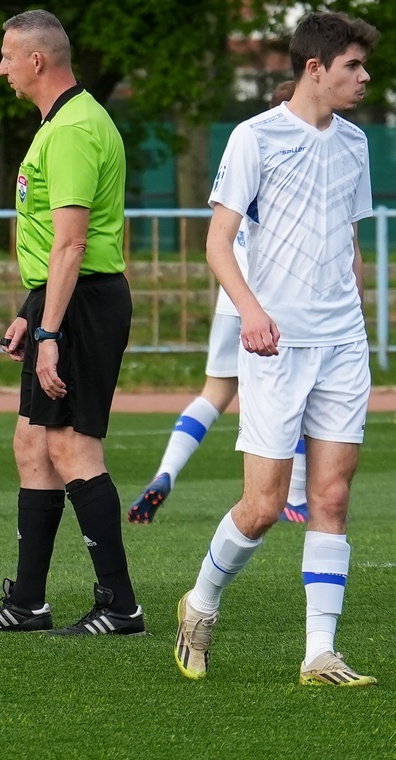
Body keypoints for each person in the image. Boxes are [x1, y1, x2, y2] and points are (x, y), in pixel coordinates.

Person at [174, 11, 378, 687]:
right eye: (353, 65)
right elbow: (217, 242)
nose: (365, 77)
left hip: (342, 342)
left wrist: (356, 309)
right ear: (315, 68)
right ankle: (201, 604)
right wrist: (252, 313)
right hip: (275, 346)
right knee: (262, 506)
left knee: (331, 497)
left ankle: (320, 652)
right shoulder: (254, 137)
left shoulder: (355, 143)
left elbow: (350, 241)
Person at [0, 10, 140, 636]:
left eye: (7, 56)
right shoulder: (61, 122)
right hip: (63, 298)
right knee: (32, 444)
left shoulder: (72, 130)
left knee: (70, 446)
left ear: (37, 60)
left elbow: (72, 243)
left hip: (82, 303)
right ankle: (28, 602)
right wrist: (29, 311)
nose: (1, 68)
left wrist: (50, 334)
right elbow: (53, 247)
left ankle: (120, 605)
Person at [129, 80, 309, 525]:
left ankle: (166, 471)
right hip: (273, 298)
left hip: (233, 296)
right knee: (298, 393)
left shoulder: (249, 147)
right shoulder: (305, 160)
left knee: (214, 393)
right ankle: (297, 498)